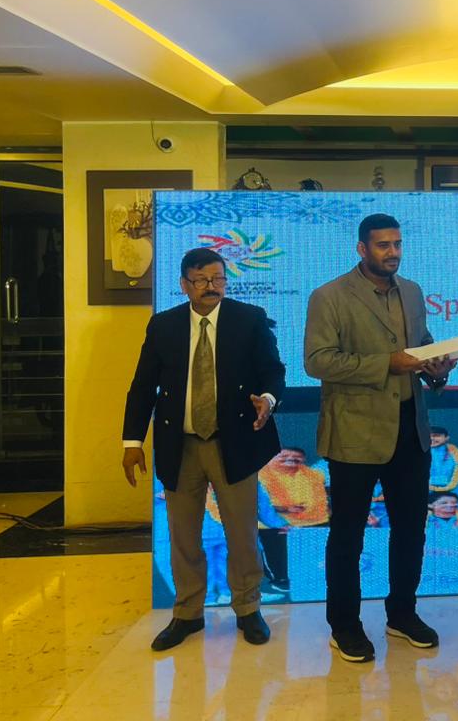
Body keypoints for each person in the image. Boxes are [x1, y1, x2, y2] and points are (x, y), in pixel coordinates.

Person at [304, 213, 455, 663]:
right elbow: (317, 361)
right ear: (362, 249)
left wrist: (436, 370)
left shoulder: (412, 291)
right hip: (355, 432)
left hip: (411, 430)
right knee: (348, 535)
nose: (393, 252)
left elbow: (421, 346)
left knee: (410, 530)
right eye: (383, 245)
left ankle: (402, 614)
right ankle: (344, 625)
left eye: (397, 244)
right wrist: (387, 363)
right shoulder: (329, 295)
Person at [121, 248, 286, 651]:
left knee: (242, 533)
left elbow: (273, 371)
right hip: (181, 445)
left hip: (235, 443)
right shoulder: (164, 326)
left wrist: (267, 398)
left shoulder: (249, 319)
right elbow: (142, 386)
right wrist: (132, 442)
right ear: (184, 285)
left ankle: (248, 608)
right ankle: (187, 612)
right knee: (183, 535)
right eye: (201, 280)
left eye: (218, 279)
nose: (211, 287)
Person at [257, 446, 329, 594]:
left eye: (297, 458)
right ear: (271, 459)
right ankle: (280, 580)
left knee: (312, 554)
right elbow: (259, 505)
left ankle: (310, 579)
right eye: (284, 457)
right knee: (278, 555)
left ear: (303, 460)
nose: (291, 460)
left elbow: (323, 497)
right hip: (273, 524)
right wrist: (285, 511)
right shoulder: (260, 477)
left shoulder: (315, 475)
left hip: (313, 522)